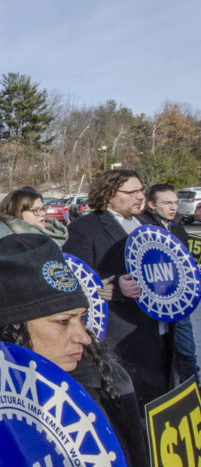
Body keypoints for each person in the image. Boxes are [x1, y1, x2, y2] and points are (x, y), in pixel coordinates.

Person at [0, 233, 147, 467]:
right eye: (63, 321)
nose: (84, 338)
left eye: (82, 318)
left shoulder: (109, 383)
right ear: (14, 328)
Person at [64, 169, 172, 409]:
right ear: (109, 194)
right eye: (131, 192)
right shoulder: (85, 228)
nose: (140, 196)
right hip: (118, 336)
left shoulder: (149, 223)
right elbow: (77, 278)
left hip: (159, 331)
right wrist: (115, 285)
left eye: (141, 190)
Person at [138, 183, 199, 384]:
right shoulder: (142, 227)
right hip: (152, 303)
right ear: (152, 204)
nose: (173, 207)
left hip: (178, 301)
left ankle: (193, 392)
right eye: (167, 203)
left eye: (175, 203)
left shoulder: (178, 227)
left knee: (186, 351)